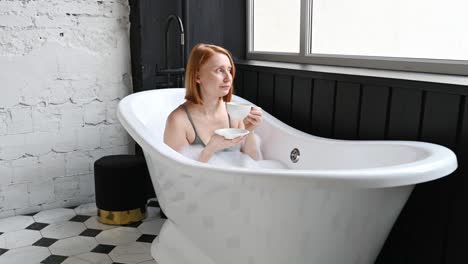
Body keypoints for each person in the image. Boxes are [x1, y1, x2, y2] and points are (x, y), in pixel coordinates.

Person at [164, 43, 263, 162]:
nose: (228, 78)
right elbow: (179, 176)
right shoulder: (178, 121)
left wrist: (250, 130)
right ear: (197, 76)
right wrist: (210, 149)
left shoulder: (234, 113)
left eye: (229, 70)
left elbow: (254, 164)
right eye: (219, 70)